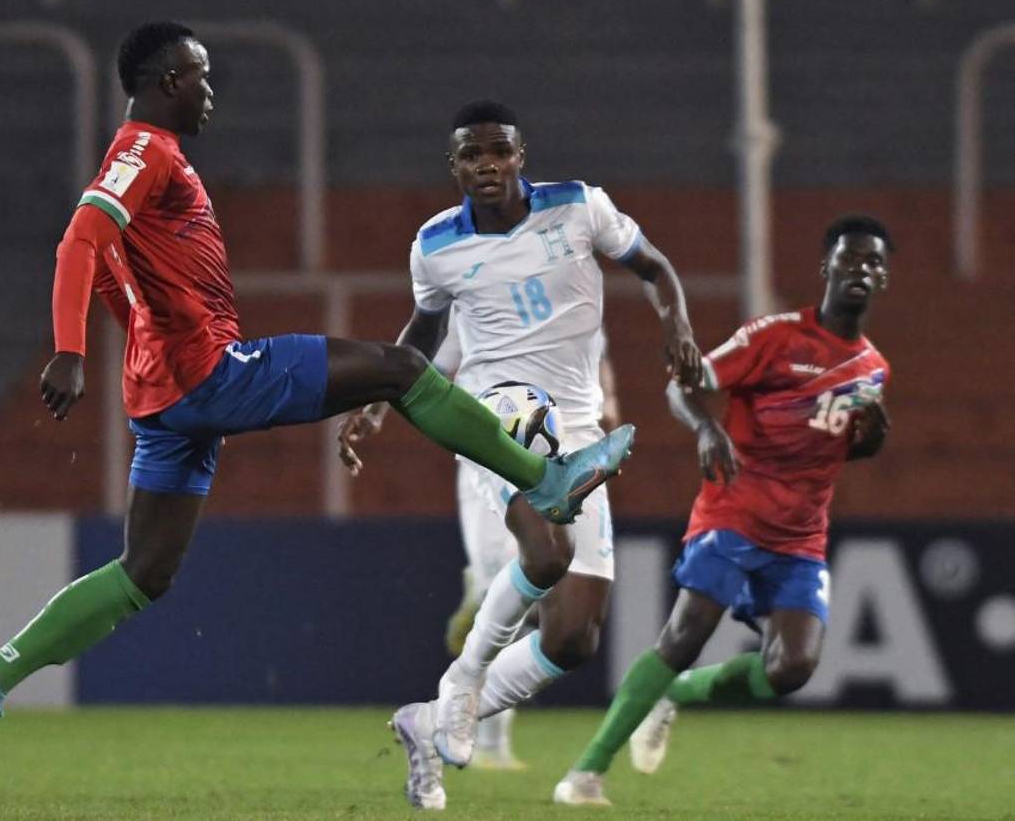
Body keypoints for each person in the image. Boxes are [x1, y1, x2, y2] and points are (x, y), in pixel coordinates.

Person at [0, 23, 632, 787]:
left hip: (163, 392)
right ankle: (545, 477)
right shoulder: (147, 151)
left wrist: (140, 334)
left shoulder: (139, 159)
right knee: (400, 367)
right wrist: (68, 350)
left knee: (144, 571)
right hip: (207, 373)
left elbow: (110, 255)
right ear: (167, 79)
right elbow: (79, 240)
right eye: (199, 76)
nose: (209, 90)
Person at [337, 99, 702, 810]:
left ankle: (427, 718)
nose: (486, 164)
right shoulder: (436, 245)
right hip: (493, 415)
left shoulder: (578, 208)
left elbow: (654, 266)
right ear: (454, 167)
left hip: (579, 426)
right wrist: (378, 399)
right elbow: (423, 328)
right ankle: (465, 681)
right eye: (471, 154)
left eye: (498, 150)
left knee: (574, 636)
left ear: (520, 154)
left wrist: (677, 324)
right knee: (545, 551)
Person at [553, 215, 894, 806]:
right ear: (826, 267)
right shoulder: (776, 336)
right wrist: (708, 428)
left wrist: (872, 441)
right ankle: (585, 773)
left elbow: (840, 446)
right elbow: (682, 385)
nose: (860, 270)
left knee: (791, 670)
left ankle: (677, 695)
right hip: (733, 511)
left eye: (873, 263)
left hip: (801, 538)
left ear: (883, 277)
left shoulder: (873, 370)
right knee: (685, 632)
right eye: (850, 259)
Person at [436, 321, 622, 770]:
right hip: (487, 458)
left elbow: (597, 356)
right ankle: (478, 594)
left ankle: (492, 744)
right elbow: (440, 369)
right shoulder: (476, 293)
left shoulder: (571, 291)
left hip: (553, 458)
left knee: (534, 594)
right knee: (503, 589)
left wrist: (609, 402)